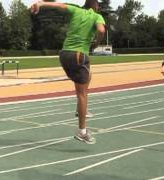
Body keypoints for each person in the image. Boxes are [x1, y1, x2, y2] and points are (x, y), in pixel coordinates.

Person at [31, 0, 105, 144]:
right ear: (95, 6)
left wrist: (40, 3)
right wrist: (97, 42)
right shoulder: (97, 16)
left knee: (88, 75)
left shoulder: (76, 10)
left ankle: (80, 109)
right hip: (79, 55)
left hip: (64, 54)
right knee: (82, 94)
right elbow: (101, 30)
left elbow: (58, 5)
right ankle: (82, 132)